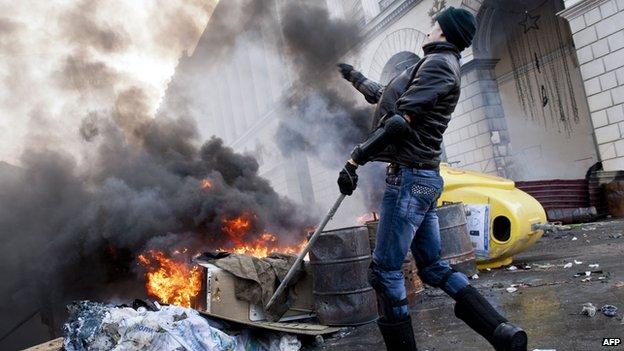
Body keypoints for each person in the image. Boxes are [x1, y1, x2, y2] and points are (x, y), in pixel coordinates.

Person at [336, 7, 527, 351]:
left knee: (385, 272)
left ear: (445, 31)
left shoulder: (439, 65)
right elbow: (389, 96)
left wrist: (355, 159)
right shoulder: (435, 64)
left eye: (434, 23)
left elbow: (398, 122)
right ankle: (500, 331)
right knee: (433, 267)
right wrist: (353, 76)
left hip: (410, 181)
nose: (429, 27)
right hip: (420, 180)